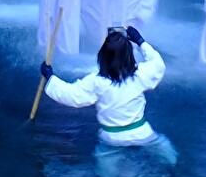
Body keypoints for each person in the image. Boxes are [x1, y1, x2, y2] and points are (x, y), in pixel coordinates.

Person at [40, 24, 171, 153]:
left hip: (112, 138)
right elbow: (158, 64)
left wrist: (51, 78)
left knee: (107, 170)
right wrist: (140, 41)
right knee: (166, 151)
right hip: (142, 133)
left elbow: (72, 95)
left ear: (102, 56)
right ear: (129, 55)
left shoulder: (96, 82)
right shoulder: (140, 74)